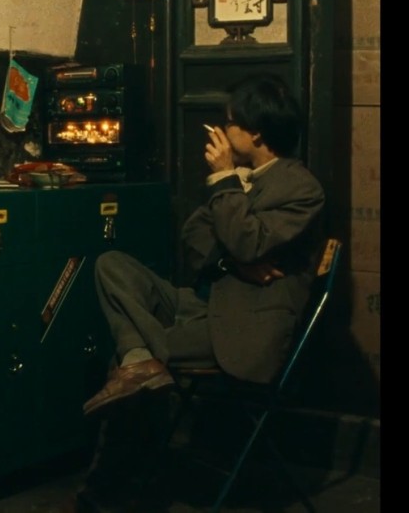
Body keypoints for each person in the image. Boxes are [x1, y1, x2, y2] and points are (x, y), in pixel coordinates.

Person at [76, 73, 325, 511]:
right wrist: (233, 262)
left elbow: (247, 241)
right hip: (206, 302)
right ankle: (140, 363)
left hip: (244, 326)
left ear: (256, 132)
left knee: (126, 363)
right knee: (111, 264)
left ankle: (102, 493)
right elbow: (195, 242)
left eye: (230, 122)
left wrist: (226, 181)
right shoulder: (243, 178)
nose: (222, 132)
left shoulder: (300, 187)